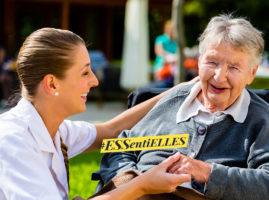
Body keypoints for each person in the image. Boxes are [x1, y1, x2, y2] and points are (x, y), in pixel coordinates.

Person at [100, 14, 269, 200]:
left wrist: (208, 173)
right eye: (212, 61)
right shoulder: (173, 101)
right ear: (199, 62)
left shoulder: (258, 118)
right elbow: (119, 147)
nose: (219, 76)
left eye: (234, 67)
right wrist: (130, 183)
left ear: (251, 73)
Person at [0, 28, 191, 200]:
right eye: (84, 73)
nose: (95, 81)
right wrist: (142, 185)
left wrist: (180, 91)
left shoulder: (53, 129)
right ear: (52, 84)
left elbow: (112, 130)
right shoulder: (13, 141)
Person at [150, 20, 177, 88]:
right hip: (161, 68)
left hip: (172, 71)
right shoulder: (161, 39)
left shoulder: (175, 42)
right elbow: (159, 52)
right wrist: (172, 57)